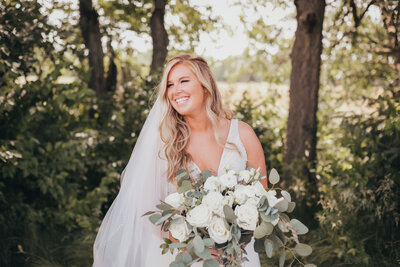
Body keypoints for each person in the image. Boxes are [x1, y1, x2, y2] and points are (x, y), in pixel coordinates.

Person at [93, 54, 267, 266]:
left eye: (184, 81)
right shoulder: (164, 145)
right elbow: (146, 210)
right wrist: (192, 244)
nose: (175, 90)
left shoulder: (242, 134)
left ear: (205, 86)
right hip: (185, 257)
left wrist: (234, 237)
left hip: (237, 254)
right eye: (169, 84)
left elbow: (262, 201)